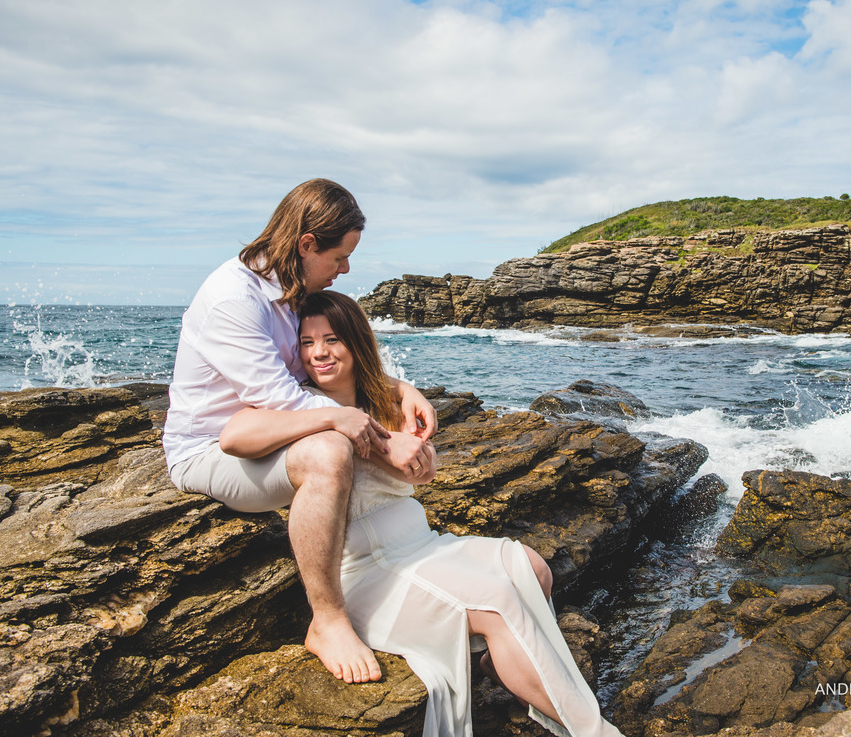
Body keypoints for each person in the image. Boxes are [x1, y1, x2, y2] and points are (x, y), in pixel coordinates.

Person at [218, 290, 624, 737]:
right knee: (498, 603)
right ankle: (595, 731)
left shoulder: (388, 400)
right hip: (369, 569)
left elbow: (414, 476)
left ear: (356, 342)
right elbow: (235, 434)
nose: (319, 353)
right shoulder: (296, 401)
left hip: (422, 545)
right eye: (307, 343)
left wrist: (421, 464)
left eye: (332, 339)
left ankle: (500, 663)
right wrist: (334, 422)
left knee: (532, 568)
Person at [162, 178, 438, 685]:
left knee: (333, 439)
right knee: (328, 452)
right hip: (211, 449)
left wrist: (397, 387)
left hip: (265, 433)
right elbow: (285, 399)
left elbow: (314, 370)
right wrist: (386, 445)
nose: (346, 269)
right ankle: (328, 620)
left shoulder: (290, 293)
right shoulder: (233, 300)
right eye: (341, 256)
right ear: (307, 245)